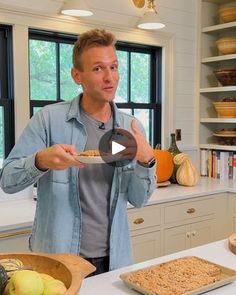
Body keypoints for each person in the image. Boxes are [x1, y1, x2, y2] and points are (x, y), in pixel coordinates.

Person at [0, 29, 156, 275]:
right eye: (97, 69)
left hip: (114, 260)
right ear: (76, 75)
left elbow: (139, 200)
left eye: (113, 67)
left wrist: (146, 160)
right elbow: (7, 180)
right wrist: (40, 160)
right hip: (58, 259)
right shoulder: (49, 120)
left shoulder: (129, 128)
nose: (110, 77)